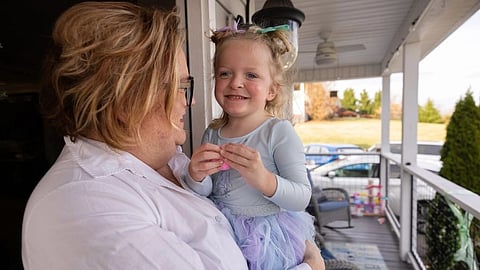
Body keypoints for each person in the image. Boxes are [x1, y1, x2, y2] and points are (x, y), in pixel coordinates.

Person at [21, 2, 324, 270]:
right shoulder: (88, 207)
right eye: (181, 87)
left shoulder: (164, 156)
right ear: (129, 100)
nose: (189, 102)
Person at [185, 22, 317, 270]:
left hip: (267, 236)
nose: (235, 82)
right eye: (225, 73)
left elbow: (301, 196)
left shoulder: (278, 132)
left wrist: (263, 179)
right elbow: (207, 191)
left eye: (251, 75)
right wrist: (196, 175)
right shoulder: (212, 133)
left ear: (272, 90)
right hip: (221, 229)